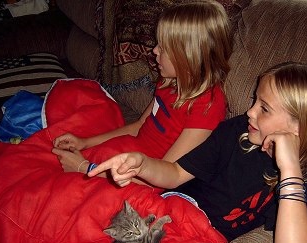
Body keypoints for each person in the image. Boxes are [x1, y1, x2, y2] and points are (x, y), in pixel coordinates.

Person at [88, 61, 307, 243]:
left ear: (299, 127)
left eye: (264, 108)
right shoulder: (237, 131)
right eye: (255, 100)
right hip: (171, 212)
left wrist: (289, 169)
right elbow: (175, 174)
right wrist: (142, 164)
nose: (250, 111)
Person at [52, 0, 232, 174]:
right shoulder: (169, 82)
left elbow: (167, 173)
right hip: (130, 158)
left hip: (146, 178)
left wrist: (84, 168)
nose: (154, 50)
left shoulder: (208, 105)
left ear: (189, 56)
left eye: (163, 47)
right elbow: (139, 125)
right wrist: (85, 143)